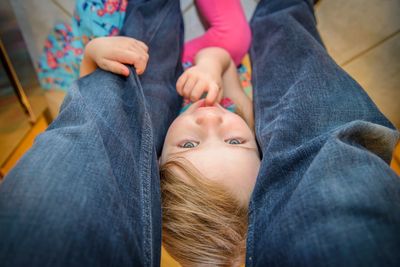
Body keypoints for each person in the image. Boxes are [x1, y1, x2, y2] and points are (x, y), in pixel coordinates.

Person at [1, 0, 399, 267]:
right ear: (263, 147)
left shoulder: (144, 129)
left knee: (119, 64)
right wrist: (211, 67)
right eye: (236, 141)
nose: (211, 121)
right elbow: (226, 61)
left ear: (151, 158)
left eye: (188, 144)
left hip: (158, 67)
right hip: (209, 55)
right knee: (237, 36)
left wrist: (93, 57)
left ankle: (155, 10)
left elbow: (91, 97)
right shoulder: (241, 111)